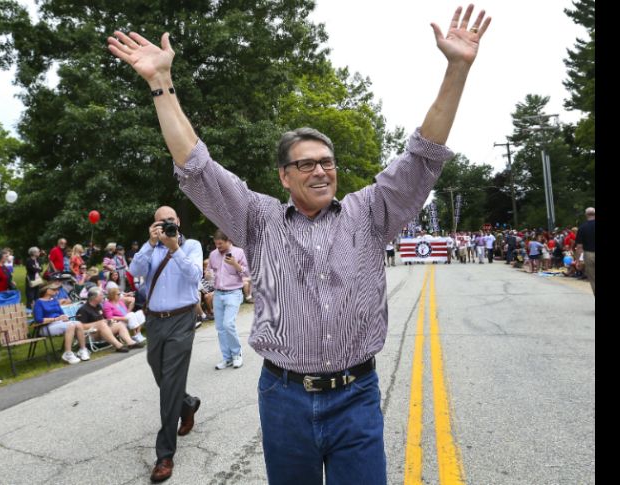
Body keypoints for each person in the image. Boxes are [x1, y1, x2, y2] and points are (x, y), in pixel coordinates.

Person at [109, 5, 490, 483]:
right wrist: (161, 84)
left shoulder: (370, 213)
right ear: (284, 176)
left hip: (357, 395)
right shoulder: (258, 219)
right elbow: (196, 165)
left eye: (327, 162)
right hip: (284, 397)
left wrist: (457, 68)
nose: (320, 170)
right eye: (306, 164)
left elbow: (422, 156)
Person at [128, 206, 203, 482]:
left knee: (170, 382)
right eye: (161, 222)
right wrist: (150, 243)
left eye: (171, 220)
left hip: (182, 319)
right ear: (154, 225)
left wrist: (174, 248)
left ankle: (165, 454)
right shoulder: (151, 249)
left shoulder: (191, 246)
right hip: (155, 321)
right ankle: (187, 403)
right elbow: (134, 271)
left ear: (179, 221)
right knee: (159, 372)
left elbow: (195, 277)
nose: (167, 225)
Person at [208, 229, 248, 370]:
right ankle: (227, 358)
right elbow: (210, 271)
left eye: (220, 244)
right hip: (218, 294)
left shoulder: (239, 252)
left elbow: (247, 272)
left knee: (228, 324)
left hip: (233, 292)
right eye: (216, 244)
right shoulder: (213, 254)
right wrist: (208, 275)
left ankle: (237, 354)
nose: (218, 247)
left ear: (228, 241)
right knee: (220, 328)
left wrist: (235, 265)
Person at [32, 281, 89, 364]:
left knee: (78, 324)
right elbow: (39, 319)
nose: (57, 291)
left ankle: (82, 349)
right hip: (45, 327)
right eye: (54, 289)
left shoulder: (54, 301)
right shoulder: (39, 302)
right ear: (47, 290)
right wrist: (55, 319)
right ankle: (68, 354)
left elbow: (61, 313)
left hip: (58, 323)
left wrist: (64, 317)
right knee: (71, 325)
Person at [76, 287, 145, 352]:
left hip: (104, 330)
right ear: (95, 297)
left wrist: (109, 321)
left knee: (119, 324)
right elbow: (81, 326)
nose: (103, 297)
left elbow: (104, 319)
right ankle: (118, 346)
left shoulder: (98, 306)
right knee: (102, 324)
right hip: (92, 334)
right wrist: (99, 323)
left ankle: (130, 343)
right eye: (101, 295)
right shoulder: (83, 310)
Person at [574, 207, 595, 295]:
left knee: (593, 279)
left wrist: (578, 260)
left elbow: (579, 246)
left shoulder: (582, 228)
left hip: (589, 254)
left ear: (586, 215)